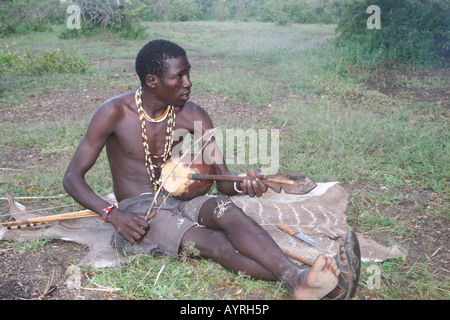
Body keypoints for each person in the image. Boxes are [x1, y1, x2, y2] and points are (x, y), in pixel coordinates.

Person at [63, 39, 360, 300]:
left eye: (188, 72)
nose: (188, 82)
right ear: (152, 80)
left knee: (226, 210)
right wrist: (113, 214)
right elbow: (72, 177)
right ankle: (307, 281)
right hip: (141, 209)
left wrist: (243, 183)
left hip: (184, 197)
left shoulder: (194, 115)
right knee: (214, 243)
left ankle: (301, 280)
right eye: (179, 76)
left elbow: (223, 183)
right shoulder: (113, 112)